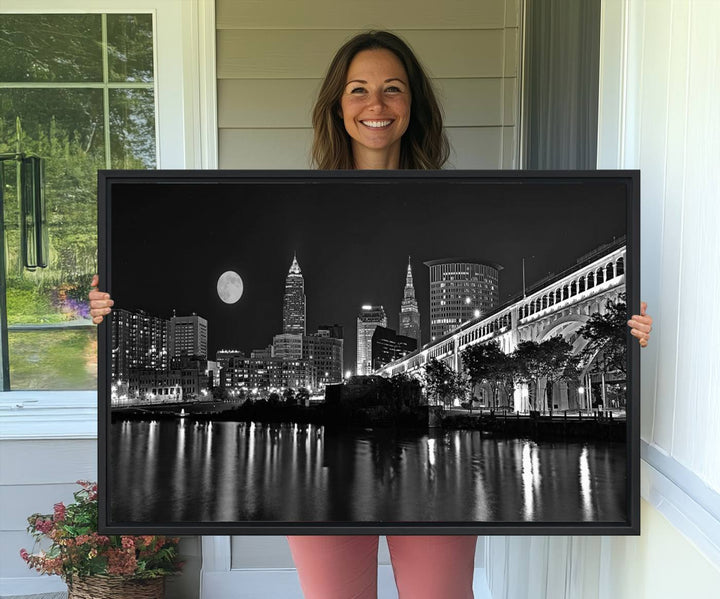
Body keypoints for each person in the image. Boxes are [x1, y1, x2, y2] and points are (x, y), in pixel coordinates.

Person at [89, 30, 653, 599]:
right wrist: (105, 314)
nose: (376, 105)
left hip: (421, 481)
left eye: (392, 89)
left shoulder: (452, 200)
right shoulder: (308, 197)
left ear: (413, 105)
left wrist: (629, 333)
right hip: (340, 477)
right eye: (358, 90)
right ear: (338, 105)